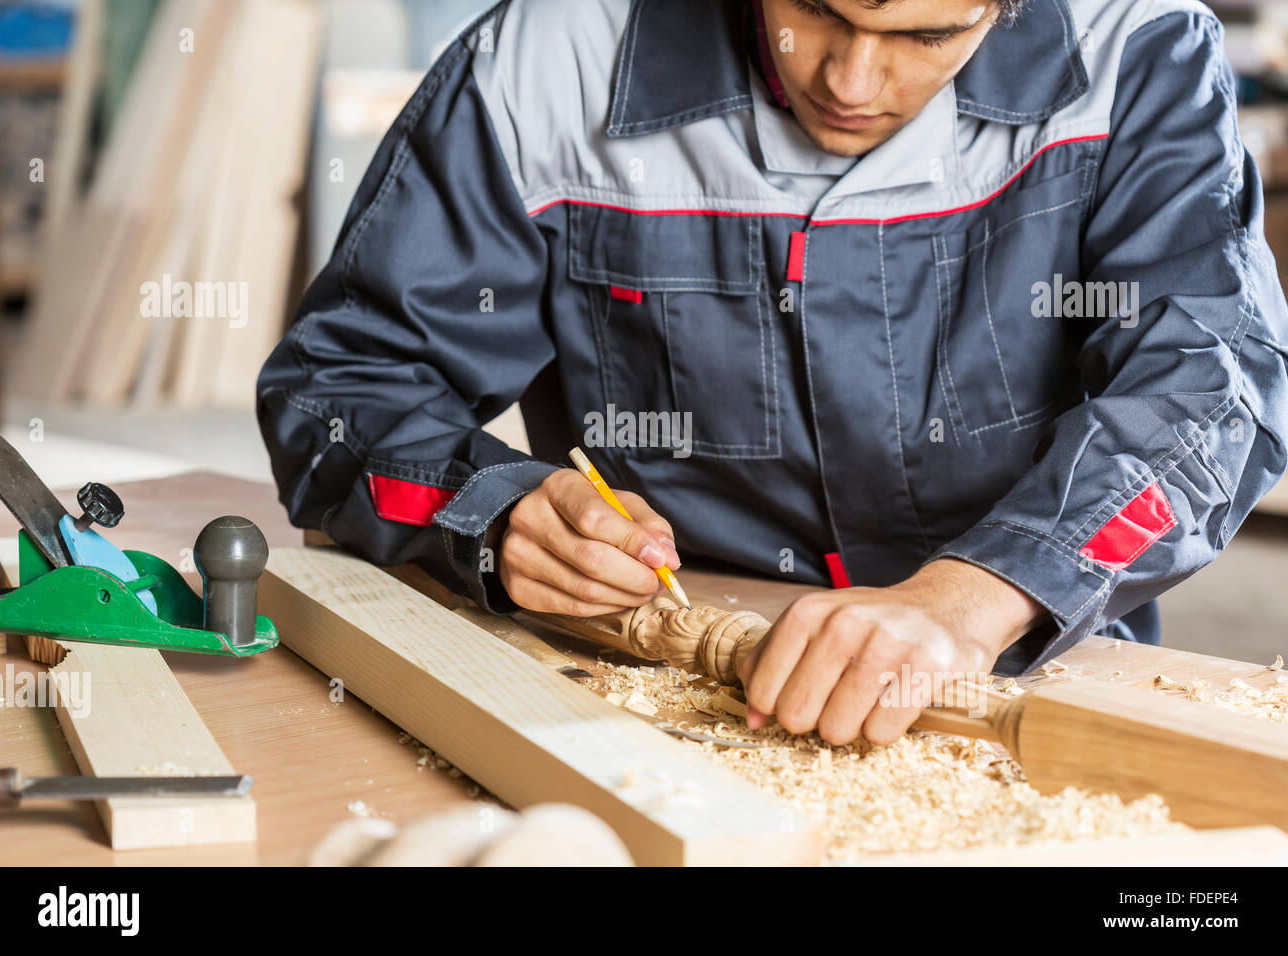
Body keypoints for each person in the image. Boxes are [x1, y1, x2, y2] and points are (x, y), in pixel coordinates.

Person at [259, 0, 1288, 745]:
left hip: (1027, 678)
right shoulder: (547, 57)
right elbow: (342, 385)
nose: (846, 81)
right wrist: (487, 509)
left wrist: (969, 600)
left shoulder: (1139, 48)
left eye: (925, 35)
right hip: (660, 702)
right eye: (813, 9)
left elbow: (1209, 392)